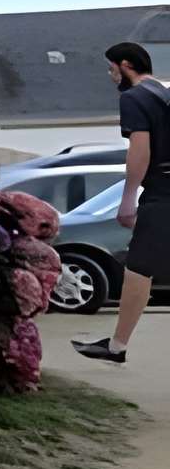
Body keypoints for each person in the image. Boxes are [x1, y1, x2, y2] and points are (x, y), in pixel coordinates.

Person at [74, 40, 170, 363]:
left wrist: (128, 199)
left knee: (139, 267)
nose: (110, 74)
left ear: (126, 65)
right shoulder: (163, 93)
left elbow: (140, 151)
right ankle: (116, 346)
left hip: (162, 191)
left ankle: (116, 347)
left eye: (111, 67)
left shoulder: (134, 98)